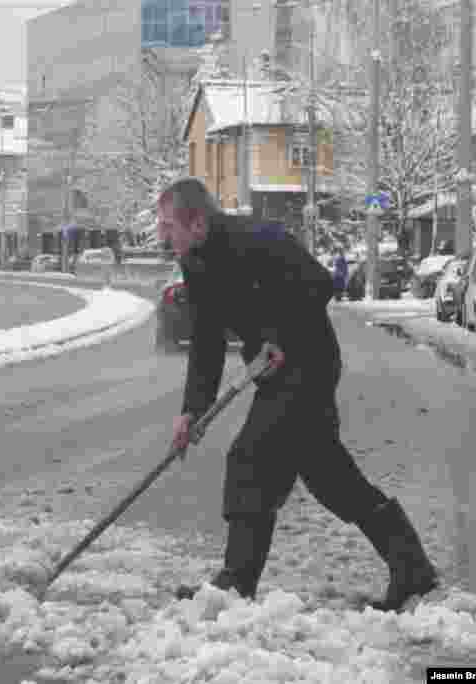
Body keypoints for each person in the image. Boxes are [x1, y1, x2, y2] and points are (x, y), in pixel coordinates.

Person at [159, 177, 438, 612]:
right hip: (275, 372)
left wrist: (276, 335)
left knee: (250, 458)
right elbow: (207, 342)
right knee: (330, 477)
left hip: (308, 363)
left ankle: (236, 584)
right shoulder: (196, 264)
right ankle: (411, 566)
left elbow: (318, 283)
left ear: (196, 223)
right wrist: (191, 411)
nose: (163, 235)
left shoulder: (259, 238)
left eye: (168, 224)